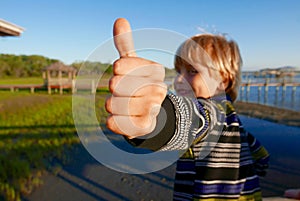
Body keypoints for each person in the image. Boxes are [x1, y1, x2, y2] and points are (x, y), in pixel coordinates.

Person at [106, 18, 270, 200]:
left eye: (192, 71)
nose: (178, 80)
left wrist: (157, 118)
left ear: (223, 80)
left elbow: (196, 120)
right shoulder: (235, 124)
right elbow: (262, 158)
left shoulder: (217, 114)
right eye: (178, 71)